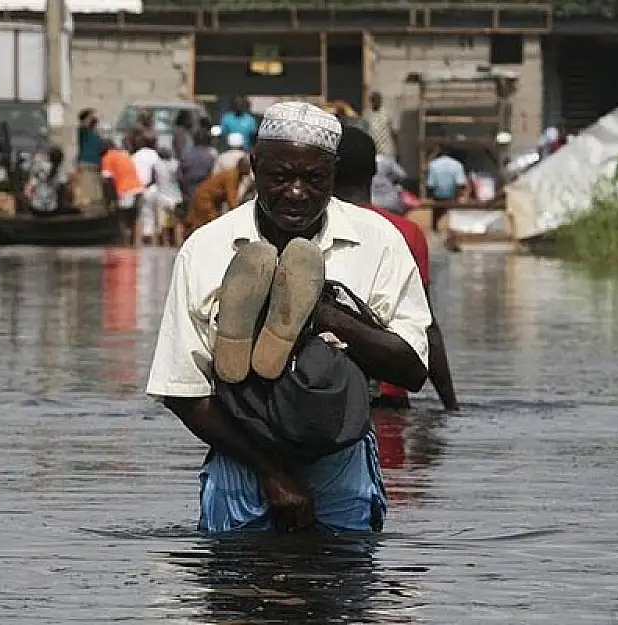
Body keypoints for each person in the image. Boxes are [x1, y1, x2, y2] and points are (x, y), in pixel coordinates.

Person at [147, 101, 433, 534]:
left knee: (325, 591)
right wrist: (270, 472)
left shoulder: (379, 242)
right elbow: (182, 390)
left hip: (339, 453)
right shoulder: (207, 248)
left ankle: (310, 316)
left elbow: (412, 370)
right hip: (243, 456)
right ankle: (258, 335)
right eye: (280, 177)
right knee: (245, 593)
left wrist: (326, 316)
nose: (296, 192)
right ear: (254, 165)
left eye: (314, 179)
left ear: (334, 173)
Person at [333, 125, 458, 412]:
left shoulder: (312, 227)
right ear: (374, 171)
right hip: (390, 393)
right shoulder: (406, 232)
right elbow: (425, 323)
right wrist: (450, 404)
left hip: (326, 391)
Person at [183, 156, 252, 236]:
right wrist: (240, 213)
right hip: (205, 197)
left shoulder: (237, 176)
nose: (249, 170)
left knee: (203, 222)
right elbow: (231, 198)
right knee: (211, 222)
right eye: (248, 167)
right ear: (242, 167)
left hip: (210, 199)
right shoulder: (232, 176)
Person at [100, 139, 145, 243]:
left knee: (122, 218)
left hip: (125, 191)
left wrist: (110, 201)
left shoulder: (107, 157)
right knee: (134, 218)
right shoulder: (124, 154)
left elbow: (107, 181)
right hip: (139, 188)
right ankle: (135, 244)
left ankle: (125, 244)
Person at [132, 135, 164, 245]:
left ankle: (143, 243)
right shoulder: (154, 155)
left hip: (139, 190)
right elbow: (158, 172)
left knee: (144, 216)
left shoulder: (135, 156)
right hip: (152, 188)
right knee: (157, 217)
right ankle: (158, 243)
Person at [151, 147, 183, 245]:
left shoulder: (156, 165)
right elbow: (180, 178)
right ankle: (178, 242)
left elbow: (153, 179)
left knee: (162, 224)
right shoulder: (176, 164)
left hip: (161, 196)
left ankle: (165, 244)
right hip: (175, 196)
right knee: (177, 222)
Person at [26, 146, 69, 214]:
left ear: (49, 156)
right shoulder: (61, 171)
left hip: (36, 208)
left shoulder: (39, 166)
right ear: (61, 160)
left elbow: (30, 189)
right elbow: (63, 191)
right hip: (52, 209)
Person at [362, 92, 397, 158]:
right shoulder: (366, 115)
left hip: (386, 151)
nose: (376, 102)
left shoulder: (387, 113)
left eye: (378, 100)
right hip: (373, 151)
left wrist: (397, 150)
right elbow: (364, 133)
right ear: (371, 101)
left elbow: (394, 132)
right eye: (374, 100)